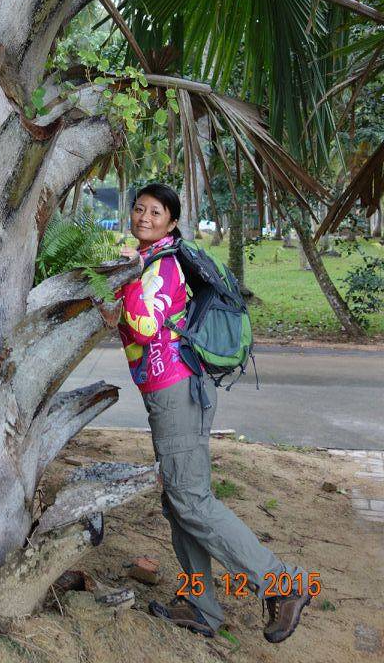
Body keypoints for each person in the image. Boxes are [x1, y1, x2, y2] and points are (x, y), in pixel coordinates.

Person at [116, 182, 312, 643]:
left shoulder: (160, 265)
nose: (144, 217)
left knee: (191, 500)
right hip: (168, 390)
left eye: (156, 212)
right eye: (139, 209)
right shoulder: (149, 260)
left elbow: (143, 325)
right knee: (178, 501)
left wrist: (126, 277)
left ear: (172, 221)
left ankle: (284, 584)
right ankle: (200, 606)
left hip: (177, 392)